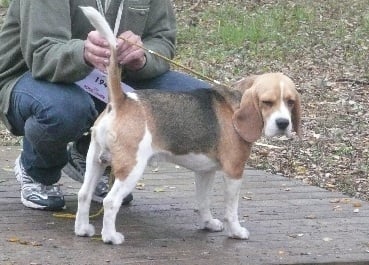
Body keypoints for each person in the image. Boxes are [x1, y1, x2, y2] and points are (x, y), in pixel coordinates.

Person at [0, 0, 211, 210]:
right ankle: (37, 170)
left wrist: (142, 55)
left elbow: (163, 40)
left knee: (200, 101)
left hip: (114, 77)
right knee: (65, 109)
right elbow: (41, 53)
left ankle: (90, 157)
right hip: (34, 77)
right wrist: (83, 53)